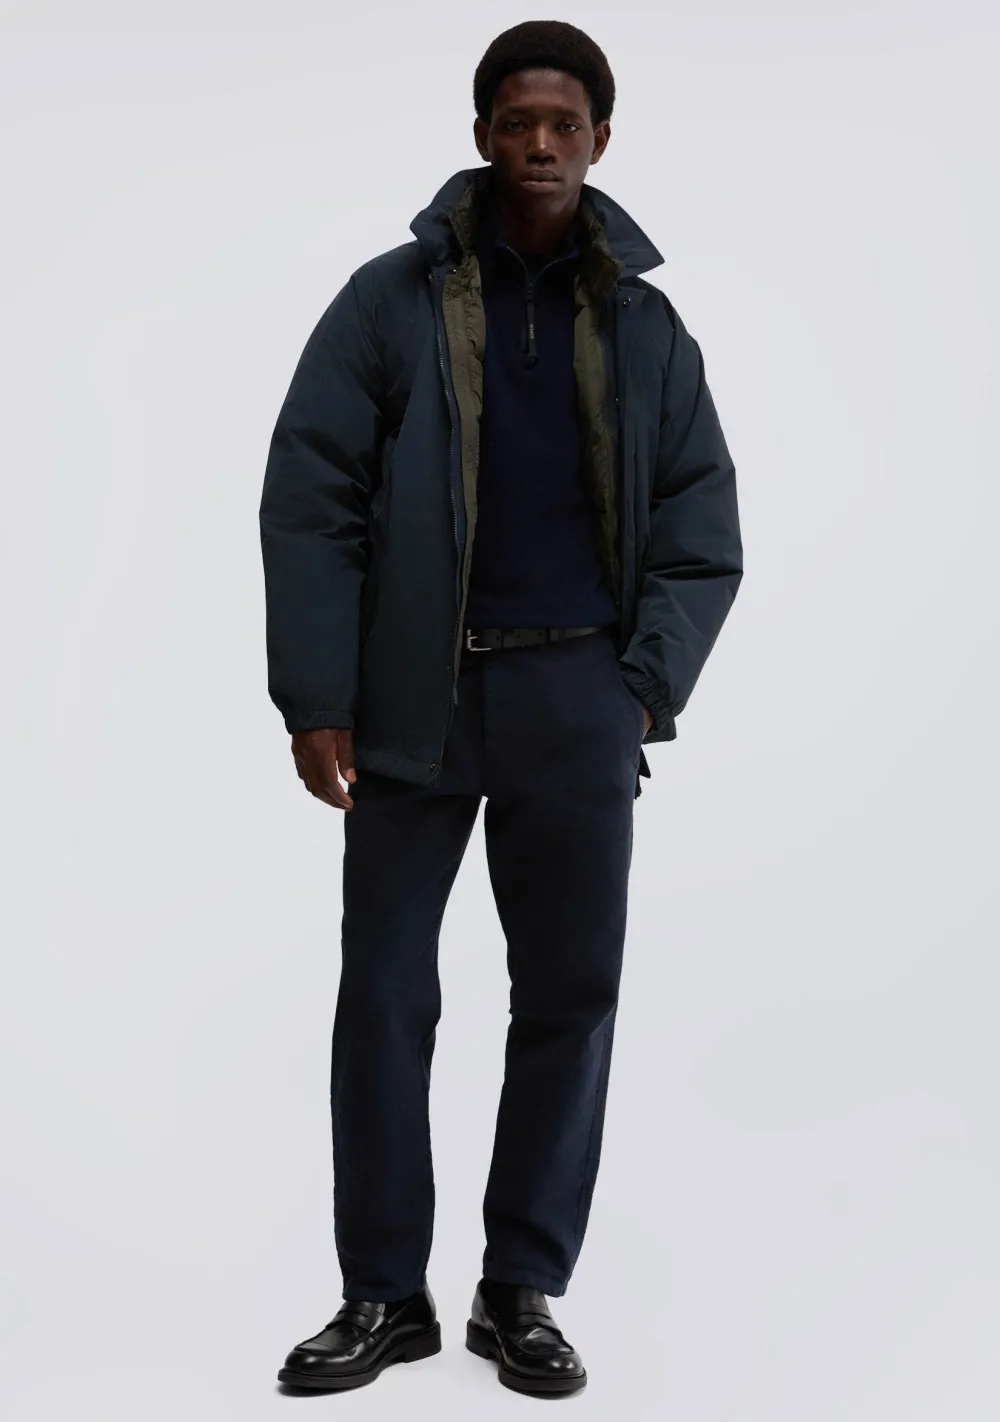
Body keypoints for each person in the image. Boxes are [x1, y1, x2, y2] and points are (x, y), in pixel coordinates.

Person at [260, 19, 742, 1397]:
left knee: (570, 995)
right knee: (384, 991)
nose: (540, 143)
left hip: (576, 696)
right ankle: (382, 1294)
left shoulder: (645, 327)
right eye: (517, 120)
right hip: (414, 695)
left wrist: (636, 690)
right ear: (481, 134)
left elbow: (701, 521)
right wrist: (317, 694)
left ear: (600, 141)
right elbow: (312, 494)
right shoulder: (389, 301)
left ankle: (520, 1288)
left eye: (564, 124)